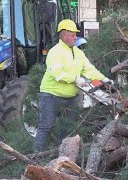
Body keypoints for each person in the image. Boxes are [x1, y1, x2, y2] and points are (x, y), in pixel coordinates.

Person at [33, 19, 113, 152]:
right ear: (64, 35)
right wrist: (76, 79)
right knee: (46, 126)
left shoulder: (78, 52)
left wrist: (104, 79)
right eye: (73, 34)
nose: (76, 37)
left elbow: (89, 69)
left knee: (68, 128)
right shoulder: (55, 52)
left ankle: (62, 155)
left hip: (71, 97)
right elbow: (57, 73)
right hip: (51, 95)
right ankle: (36, 157)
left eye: (75, 34)